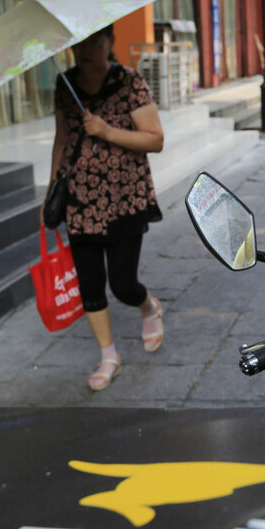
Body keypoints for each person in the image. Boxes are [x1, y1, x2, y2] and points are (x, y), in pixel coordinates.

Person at [49, 24, 165, 391]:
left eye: (92, 41)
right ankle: (109, 356)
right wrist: (51, 190)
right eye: (76, 43)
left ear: (110, 43)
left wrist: (106, 131)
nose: (83, 50)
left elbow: (155, 140)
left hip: (124, 199)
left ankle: (148, 307)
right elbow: (62, 139)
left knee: (123, 284)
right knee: (91, 285)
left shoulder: (130, 83)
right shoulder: (64, 85)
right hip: (80, 200)